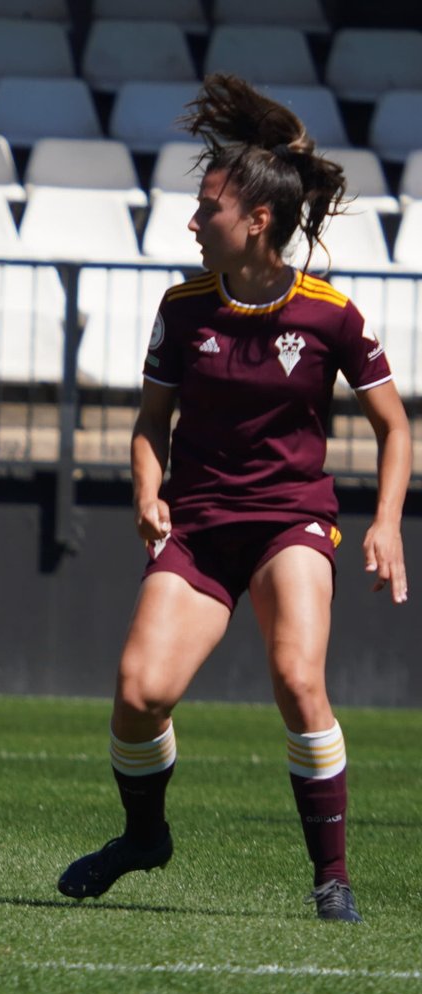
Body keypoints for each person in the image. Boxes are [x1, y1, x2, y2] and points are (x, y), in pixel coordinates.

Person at [56, 74, 411, 922]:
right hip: (200, 529)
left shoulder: (331, 315)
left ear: (257, 218)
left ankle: (332, 877)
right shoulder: (182, 310)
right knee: (139, 692)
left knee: (297, 677)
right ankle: (145, 836)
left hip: (293, 522)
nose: (191, 220)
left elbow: (396, 426)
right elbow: (151, 424)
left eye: (205, 206)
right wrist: (148, 489)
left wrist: (387, 522)